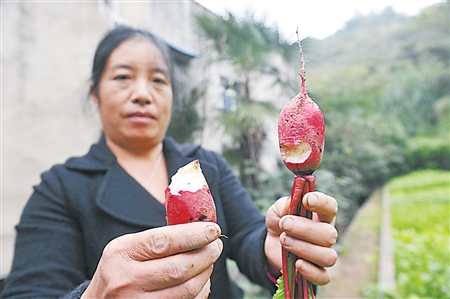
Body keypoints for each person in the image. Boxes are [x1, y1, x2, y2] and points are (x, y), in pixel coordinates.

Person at [1, 25, 338, 299]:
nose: (143, 94)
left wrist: (277, 246)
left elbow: (250, 233)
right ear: (95, 95)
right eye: (122, 77)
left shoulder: (207, 164)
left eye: (159, 80)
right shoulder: (59, 188)